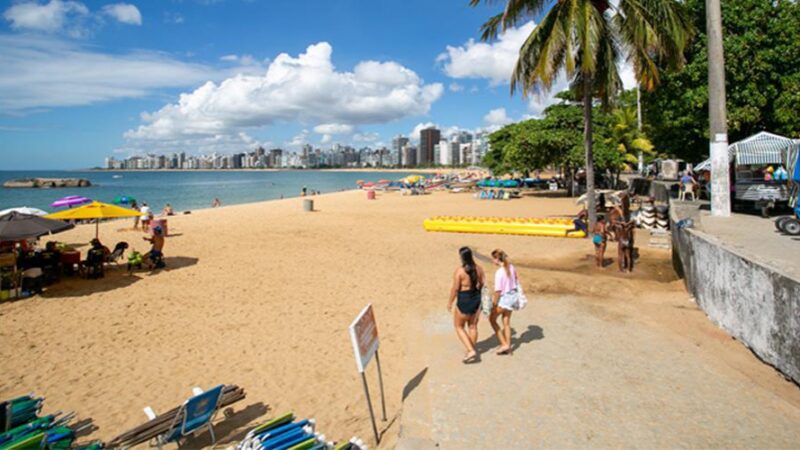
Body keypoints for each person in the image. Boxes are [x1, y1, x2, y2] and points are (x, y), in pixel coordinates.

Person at [447, 247, 485, 363]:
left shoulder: (460, 271)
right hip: (476, 298)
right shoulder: (479, 269)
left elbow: (455, 288)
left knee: (459, 326)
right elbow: (482, 283)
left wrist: (450, 302)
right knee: (473, 326)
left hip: (464, 299)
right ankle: (471, 350)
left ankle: (470, 350)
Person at [490, 249, 518, 355]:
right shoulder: (511, 267)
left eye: (493, 259)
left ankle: (504, 344)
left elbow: (498, 291)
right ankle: (509, 346)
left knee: (492, 320)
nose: (492, 261)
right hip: (512, 298)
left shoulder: (499, 273)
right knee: (506, 322)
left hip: (504, 299)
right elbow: (516, 279)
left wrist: (494, 304)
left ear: (497, 259)